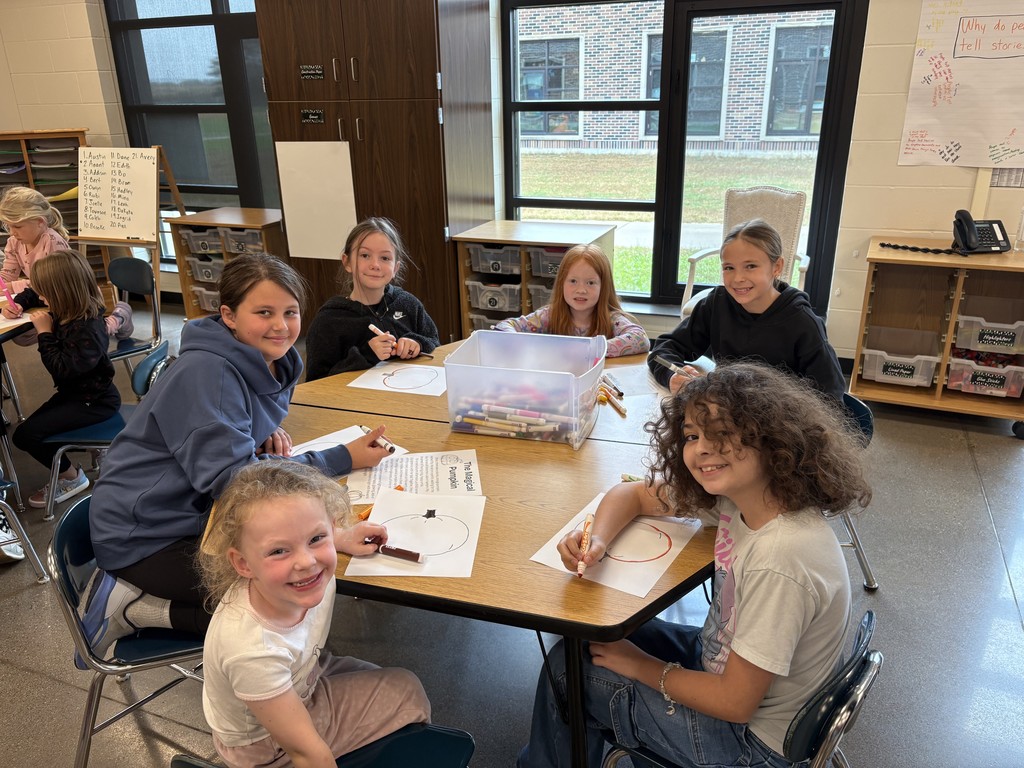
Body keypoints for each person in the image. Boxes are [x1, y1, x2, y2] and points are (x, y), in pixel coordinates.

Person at [518, 362, 871, 768]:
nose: (702, 448)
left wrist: (640, 666)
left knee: (568, 673)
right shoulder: (746, 497)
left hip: (749, 745)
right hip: (725, 667)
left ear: (772, 441)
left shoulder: (780, 557)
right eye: (692, 435)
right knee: (592, 633)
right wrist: (595, 539)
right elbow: (632, 494)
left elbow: (734, 702)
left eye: (722, 434)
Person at [81, 252, 393, 667]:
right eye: (263, 312)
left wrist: (256, 433)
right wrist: (340, 460)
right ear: (228, 315)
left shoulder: (266, 360)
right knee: (282, 596)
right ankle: (130, 608)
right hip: (144, 535)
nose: (281, 326)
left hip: (191, 513)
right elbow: (242, 487)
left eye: (290, 312)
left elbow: (230, 434)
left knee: (290, 584)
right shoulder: (208, 372)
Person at [200, 461, 431, 768]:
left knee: (381, 677)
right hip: (264, 748)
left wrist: (342, 538)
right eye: (279, 551)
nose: (307, 562)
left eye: (316, 539)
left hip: (303, 675)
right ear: (243, 564)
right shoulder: (253, 652)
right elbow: (308, 755)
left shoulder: (291, 576)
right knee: (406, 690)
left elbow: (301, 532)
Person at [646, 219, 845, 401]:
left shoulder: (802, 323)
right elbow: (663, 350)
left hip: (781, 426)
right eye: (729, 268)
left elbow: (830, 397)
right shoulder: (717, 304)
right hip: (728, 413)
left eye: (750, 266)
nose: (738, 278)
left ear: (777, 267)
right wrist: (673, 376)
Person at [11, 249, 120, 509]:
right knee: (26, 433)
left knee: (25, 436)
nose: (40, 297)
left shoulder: (87, 329)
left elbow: (61, 369)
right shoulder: (69, 308)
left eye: (44, 293)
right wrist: (20, 303)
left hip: (94, 402)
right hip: (76, 395)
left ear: (62, 294)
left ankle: (72, 477)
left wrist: (45, 334)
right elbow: (31, 292)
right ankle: (87, 457)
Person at [304, 217, 440, 380]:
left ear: (395, 267)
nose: (375, 265)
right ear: (347, 262)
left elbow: (435, 343)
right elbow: (316, 381)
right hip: (353, 404)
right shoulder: (328, 321)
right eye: (365, 255)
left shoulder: (408, 304)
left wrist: (417, 344)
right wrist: (366, 354)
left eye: (385, 258)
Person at [0, 186, 133, 340]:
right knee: (24, 334)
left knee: (94, 332)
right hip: (50, 297)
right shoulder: (14, 242)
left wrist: (14, 287)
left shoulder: (52, 242)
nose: (12, 232)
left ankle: (119, 318)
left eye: (17, 226)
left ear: (40, 222)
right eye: (7, 226)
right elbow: (7, 277)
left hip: (78, 300)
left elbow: (55, 282)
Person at [494, 243, 649, 358]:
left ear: (604, 286)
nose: (581, 290)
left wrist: (591, 349)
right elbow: (504, 326)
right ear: (562, 282)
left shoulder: (612, 319)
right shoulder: (549, 315)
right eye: (573, 281)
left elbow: (641, 340)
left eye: (590, 283)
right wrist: (518, 341)